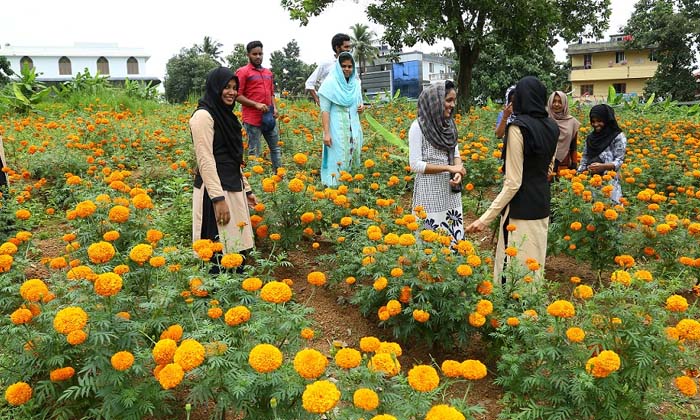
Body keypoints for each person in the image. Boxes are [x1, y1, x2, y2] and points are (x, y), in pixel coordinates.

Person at [466, 76, 559, 283]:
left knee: (512, 270)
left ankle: (514, 312)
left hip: (520, 209)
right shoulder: (553, 127)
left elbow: (513, 182)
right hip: (542, 203)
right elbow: (549, 169)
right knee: (534, 266)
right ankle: (532, 310)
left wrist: (484, 219)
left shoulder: (518, 128)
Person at [190, 67, 257, 272]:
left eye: (235, 88)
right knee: (217, 253)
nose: (232, 92)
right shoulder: (203, 116)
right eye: (226, 87)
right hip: (215, 193)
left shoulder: (227, 117)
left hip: (233, 187)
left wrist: (247, 189)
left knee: (237, 249)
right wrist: (218, 199)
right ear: (215, 88)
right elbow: (205, 160)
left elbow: (233, 159)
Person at [409, 81, 465, 244]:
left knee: (452, 238)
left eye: (453, 101)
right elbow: (415, 165)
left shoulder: (449, 125)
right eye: (448, 100)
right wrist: (449, 168)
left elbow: (455, 153)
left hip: (450, 190)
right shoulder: (418, 127)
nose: (452, 105)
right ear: (435, 100)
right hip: (429, 190)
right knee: (429, 242)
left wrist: (457, 172)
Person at [318, 52, 364, 186]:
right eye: (343, 66)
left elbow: (358, 103)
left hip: (354, 127)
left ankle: (351, 185)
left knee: (353, 153)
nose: (347, 69)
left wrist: (361, 107)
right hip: (336, 128)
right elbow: (325, 111)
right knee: (338, 156)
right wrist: (327, 133)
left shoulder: (355, 84)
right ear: (338, 66)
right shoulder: (330, 84)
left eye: (350, 66)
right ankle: (334, 186)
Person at [235, 41, 282, 172]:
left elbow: (272, 93)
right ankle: (253, 182)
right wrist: (255, 104)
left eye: (260, 53)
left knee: (276, 148)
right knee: (254, 152)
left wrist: (275, 107)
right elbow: (237, 95)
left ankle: (279, 176)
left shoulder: (268, 73)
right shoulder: (243, 72)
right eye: (254, 54)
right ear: (248, 55)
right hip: (252, 120)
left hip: (268, 117)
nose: (258, 56)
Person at [577, 104, 627, 203]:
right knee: (591, 211)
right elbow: (585, 157)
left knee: (609, 210)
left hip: (609, 182)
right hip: (591, 181)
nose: (596, 124)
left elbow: (619, 160)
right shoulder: (591, 138)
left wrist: (603, 166)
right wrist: (578, 175)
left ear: (607, 120)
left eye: (599, 121)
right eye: (593, 121)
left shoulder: (618, 137)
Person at [305, 33, 354, 106]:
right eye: (346, 47)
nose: (348, 50)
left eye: (349, 47)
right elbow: (309, 83)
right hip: (330, 105)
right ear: (337, 48)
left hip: (347, 104)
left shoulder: (351, 64)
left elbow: (356, 83)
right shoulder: (326, 64)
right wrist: (317, 100)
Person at [548, 91, 580, 173]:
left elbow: (574, 146)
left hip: (564, 164)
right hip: (546, 163)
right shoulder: (545, 120)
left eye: (560, 102)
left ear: (565, 103)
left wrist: (574, 164)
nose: (556, 104)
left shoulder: (572, 122)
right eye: (554, 101)